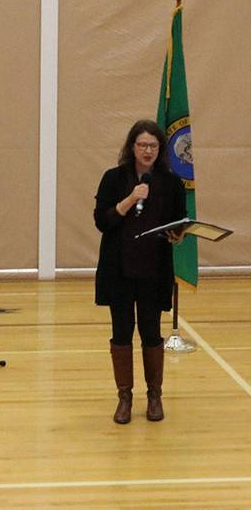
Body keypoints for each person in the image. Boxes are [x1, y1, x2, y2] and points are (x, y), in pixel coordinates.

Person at [94, 119, 186, 424]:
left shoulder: (172, 183)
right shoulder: (113, 178)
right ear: (131, 147)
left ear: (160, 150)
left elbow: (178, 221)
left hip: (153, 270)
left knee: (150, 332)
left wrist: (179, 234)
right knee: (121, 333)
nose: (148, 151)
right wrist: (130, 199)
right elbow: (102, 221)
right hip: (119, 269)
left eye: (153, 146)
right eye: (142, 145)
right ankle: (124, 396)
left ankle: (154, 395)